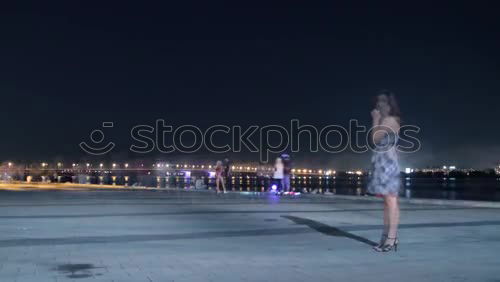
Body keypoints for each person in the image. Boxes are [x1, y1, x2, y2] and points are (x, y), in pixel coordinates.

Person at [368, 90, 402, 253]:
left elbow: (374, 138)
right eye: (378, 102)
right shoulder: (384, 120)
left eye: (383, 101)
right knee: (386, 203)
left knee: (391, 202)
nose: (379, 104)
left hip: (388, 164)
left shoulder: (390, 120)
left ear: (389, 105)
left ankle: (392, 238)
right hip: (382, 163)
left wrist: (374, 119)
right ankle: (385, 236)